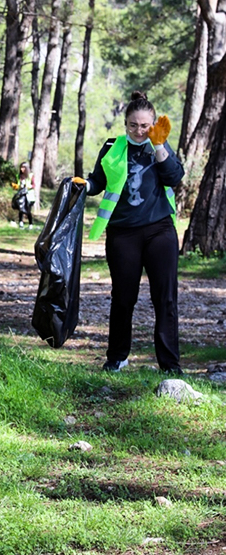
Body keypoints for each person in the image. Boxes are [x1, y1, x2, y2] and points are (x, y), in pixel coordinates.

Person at [74, 91, 184, 374]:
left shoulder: (160, 144)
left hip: (160, 230)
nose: (139, 130)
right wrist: (83, 185)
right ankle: (117, 358)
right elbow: (98, 180)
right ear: (125, 124)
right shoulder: (113, 145)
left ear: (153, 124)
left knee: (165, 298)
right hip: (123, 233)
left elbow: (174, 177)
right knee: (123, 297)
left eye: (145, 125)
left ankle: (170, 365)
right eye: (133, 125)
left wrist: (159, 146)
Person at [11, 161, 35, 229]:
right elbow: (16, 184)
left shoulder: (30, 175)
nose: (22, 169)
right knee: (20, 208)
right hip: (21, 194)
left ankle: (30, 224)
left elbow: (33, 185)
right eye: (21, 168)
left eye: (23, 168)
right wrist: (16, 186)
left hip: (29, 195)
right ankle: (21, 223)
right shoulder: (18, 176)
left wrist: (28, 186)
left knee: (28, 210)